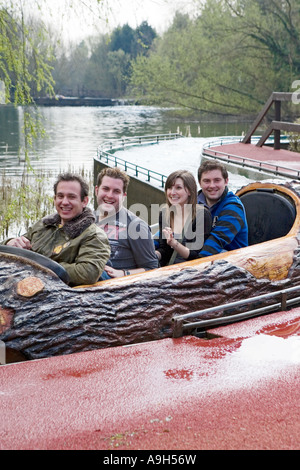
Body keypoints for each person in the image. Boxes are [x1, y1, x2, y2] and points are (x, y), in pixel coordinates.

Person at [3, 172, 110, 286]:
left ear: (84, 201)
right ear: (54, 199)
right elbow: (12, 249)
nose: (64, 202)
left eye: (71, 197)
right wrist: (9, 242)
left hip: (63, 296)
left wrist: (38, 265)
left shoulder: (94, 235)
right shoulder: (43, 225)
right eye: (60, 196)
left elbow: (87, 273)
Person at [95, 167, 159, 278]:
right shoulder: (86, 220)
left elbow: (152, 268)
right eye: (105, 189)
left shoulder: (136, 226)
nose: (109, 195)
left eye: (116, 191)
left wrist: (123, 273)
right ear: (97, 190)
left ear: (124, 196)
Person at [156, 170, 212, 266]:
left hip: (189, 271)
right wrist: (154, 255)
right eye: (169, 187)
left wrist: (174, 243)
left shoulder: (202, 215)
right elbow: (164, 250)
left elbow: (195, 256)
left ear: (190, 191)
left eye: (178, 188)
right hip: (168, 268)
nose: (172, 192)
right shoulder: (165, 213)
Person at [197, 160, 248, 256]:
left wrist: (190, 266)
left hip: (232, 262)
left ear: (226, 181)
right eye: (207, 181)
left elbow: (216, 242)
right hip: (200, 254)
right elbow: (175, 228)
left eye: (217, 180)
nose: (212, 185)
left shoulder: (233, 208)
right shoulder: (193, 203)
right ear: (200, 183)